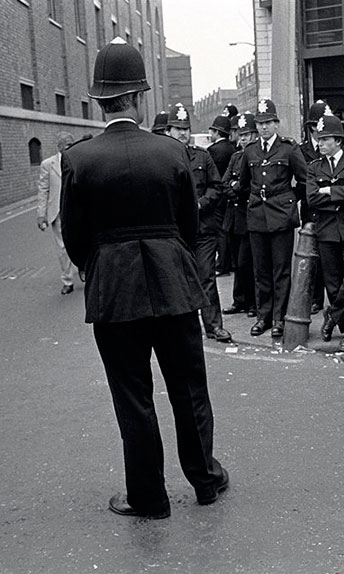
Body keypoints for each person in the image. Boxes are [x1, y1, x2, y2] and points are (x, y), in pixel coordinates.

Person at [60, 38, 229, 519]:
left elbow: (75, 236)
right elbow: (189, 226)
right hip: (174, 283)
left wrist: (99, 266)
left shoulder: (80, 159)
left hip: (115, 291)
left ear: (99, 100)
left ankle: (149, 498)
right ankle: (205, 480)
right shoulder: (172, 152)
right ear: (138, 97)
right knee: (189, 387)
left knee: (132, 396)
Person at [237, 98, 308, 338]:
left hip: (281, 216)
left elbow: (304, 180)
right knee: (261, 271)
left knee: (281, 270)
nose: (264, 127)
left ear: (277, 123)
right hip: (257, 215)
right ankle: (263, 317)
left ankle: (279, 317)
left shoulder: (288, 148)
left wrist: (288, 198)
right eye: (260, 123)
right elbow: (244, 184)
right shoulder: (250, 151)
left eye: (268, 122)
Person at [166, 103, 232, 343]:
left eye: (186, 128)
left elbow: (217, 187)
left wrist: (201, 204)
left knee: (206, 278)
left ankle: (214, 326)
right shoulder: (162, 158)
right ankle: (183, 329)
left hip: (203, 230)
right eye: (177, 128)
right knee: (177, 282)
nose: (182, 133)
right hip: (175, 233)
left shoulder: (203, 156)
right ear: (168, 131)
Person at [305, 114, 344, 353]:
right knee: (332, 285)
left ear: (338, 141)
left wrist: (328, 190)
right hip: (327, 231)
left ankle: (332, 314)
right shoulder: (314, 167)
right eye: (318, 139)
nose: (319, 143)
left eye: (325, 139)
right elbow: (312, 198)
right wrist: (340, 194)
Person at [221, 112, 257, 317]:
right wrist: (234, 187)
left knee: (246, 262)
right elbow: (223, 183)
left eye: (246, 135)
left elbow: (247, 186)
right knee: (236, 263)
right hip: (232, 217)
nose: (242, 139)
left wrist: (236, 186)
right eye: (240, 135)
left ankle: (252, 302)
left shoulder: (254, 157)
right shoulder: (235, 156)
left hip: (247, 216)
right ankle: (239, 300)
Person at [300, 100, 334, 315]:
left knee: (334, 258)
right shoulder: (301, 151)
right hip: (312, 209)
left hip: (333, 210)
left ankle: (338, 299)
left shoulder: (335, 147)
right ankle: (315, 298)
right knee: (314, 256)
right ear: (311, 128)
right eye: (318, 129)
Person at [37, 131, 77, 295]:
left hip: (76, 209)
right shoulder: (48, 164)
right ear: (59, 147)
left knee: (82, 241)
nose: (68, 148)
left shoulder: (79, 160)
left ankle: (85, 270)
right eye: (66, 145)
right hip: (58, 212)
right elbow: (43, 190)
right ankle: (67, 280)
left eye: (71, 144)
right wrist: (41, 214)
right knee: (62, 248)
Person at [207, 115, 237, 277]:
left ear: (217, 132)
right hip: (231, 196)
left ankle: (222, 265)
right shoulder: (233, 149)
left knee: (221, 231)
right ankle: (231, 262)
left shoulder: (212, 151)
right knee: (229, 230)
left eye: (212, 131)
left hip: (218, 196)